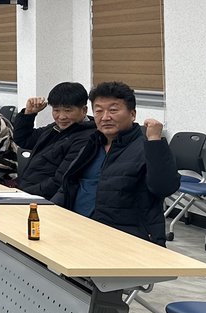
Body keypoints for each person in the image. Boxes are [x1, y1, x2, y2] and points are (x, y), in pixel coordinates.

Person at [53, 82, 179, 245]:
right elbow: (69, 184)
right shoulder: (92, 144)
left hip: (127, 240)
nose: (105, 117)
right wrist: (49, 212)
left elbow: (164, 187)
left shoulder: (146, 147)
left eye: (113, 110)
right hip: (80, 231)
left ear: (132, 114)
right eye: (99, 111)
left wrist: (154, 140)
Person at [13, 82, 96, 200]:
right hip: (26, 192)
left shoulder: (86, 138)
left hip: (44, 200)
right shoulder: (56, 128)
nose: (61, 116)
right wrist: (29, 114)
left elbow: (59, 181)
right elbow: (24, 139)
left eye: (68, 110)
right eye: (56, 110)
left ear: (84, 110)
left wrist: (23, 194)